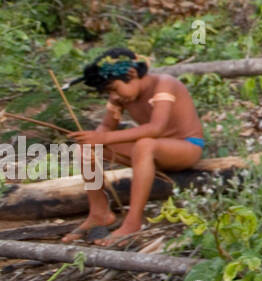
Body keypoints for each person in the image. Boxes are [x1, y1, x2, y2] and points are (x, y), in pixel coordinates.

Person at [61, 48, 205, 246]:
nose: (114, 96)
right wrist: (93, 138)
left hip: (185, 148)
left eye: (114, 88)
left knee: (144, 144)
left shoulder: (164, 84)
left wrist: (104, 137)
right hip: (152, 151)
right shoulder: (120, 97)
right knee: (85, 149)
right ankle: (99, 213)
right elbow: (106, 127)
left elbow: (156, 128)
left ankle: (133, 221)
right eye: (109, 92)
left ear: (133, 74)